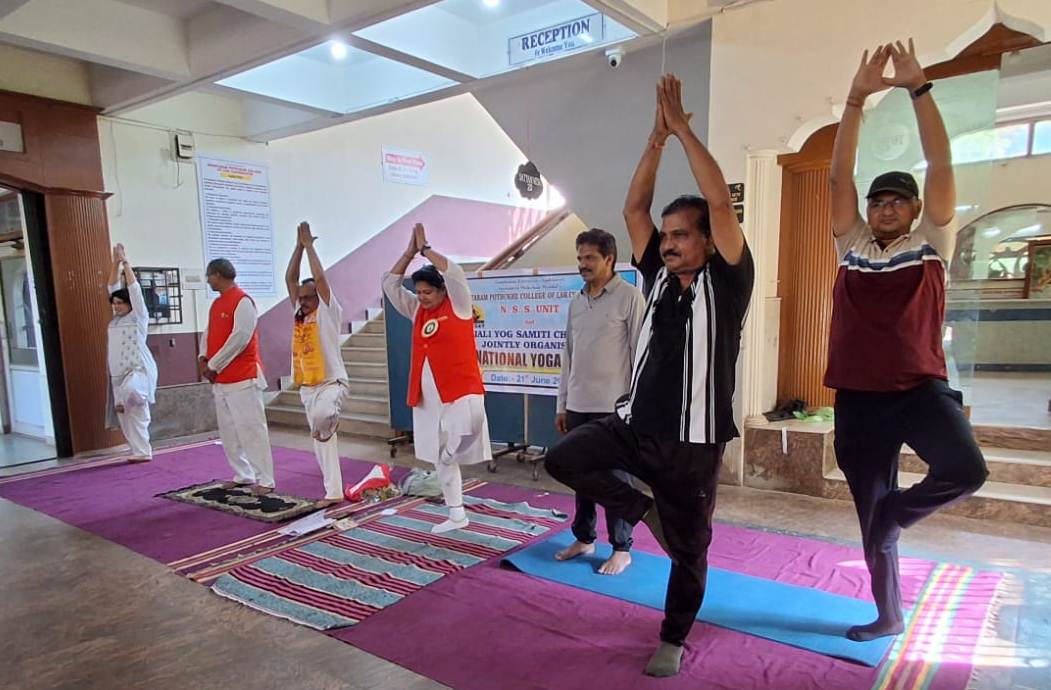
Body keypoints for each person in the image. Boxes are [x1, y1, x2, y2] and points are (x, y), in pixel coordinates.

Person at [545, 74, 754, 677]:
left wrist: (684, 129)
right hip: (634, 428)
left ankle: (673, 636)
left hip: (693, 445)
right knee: (564, 458)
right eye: (667, 236)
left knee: (691, 552)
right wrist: (655, 139)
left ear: (709, 242)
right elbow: (633, 209)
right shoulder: (657, 277)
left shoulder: (728, 282)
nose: (669, 243)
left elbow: (720, 204)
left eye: (682, 235)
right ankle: (640, 511)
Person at [826, 40, 987, 641]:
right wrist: (854, 100)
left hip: (920, 389)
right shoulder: (851, 244)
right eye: (878, 200)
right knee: (871, 514)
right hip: (858, 397)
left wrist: (919, 88)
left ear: (916, 207)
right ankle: (888, 613)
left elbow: (942, 165)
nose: (885, 207)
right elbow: (838, 175)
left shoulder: (931, 242)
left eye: (897, 200)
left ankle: (898, 512)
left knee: (965, 469)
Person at [382, 223, 492, 534]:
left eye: (427, 292)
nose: (422, 297)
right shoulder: (417, 310)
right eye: (418, 292)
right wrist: (408, 254)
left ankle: (457, 502)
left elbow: (455, 273)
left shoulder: (458, 305)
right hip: (427, 397)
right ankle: (456, 513)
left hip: (461, 391)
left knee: (459, 441)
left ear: (442, 290)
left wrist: (426, 250)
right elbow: (390, 285)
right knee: (440, 458)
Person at [553, 228, 645, 576]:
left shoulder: (629, 297)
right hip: (578, 404)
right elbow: (568, 355)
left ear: (610, 259)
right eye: (580, 258)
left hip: (614, 408)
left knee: (616, 478)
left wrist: (637, 408)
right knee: (580, 475)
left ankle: (622, 547)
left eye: (590, 257)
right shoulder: (576, 302)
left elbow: (640, 355)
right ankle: (584, 538)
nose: (583, 264)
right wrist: (562, 404)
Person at [285, 221, 349, 508]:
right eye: (301, 298)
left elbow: (320, 279)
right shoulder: (299, 313)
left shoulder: (328, 311)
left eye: (308, 297)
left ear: (318, 298)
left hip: (332, 383)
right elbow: (290, 278)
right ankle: (333, 492)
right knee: (322, 442)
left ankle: (330, 419)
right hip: (308, 386)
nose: (303, 301)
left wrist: (310, 247)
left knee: (323, 418)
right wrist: (297, 247)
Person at [199, 258, 275, 495]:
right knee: (229, 432)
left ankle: (265, 479)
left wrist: (214, 365)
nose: (207, 280)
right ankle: (243, 474)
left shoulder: (243, 301)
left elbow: (240, 337)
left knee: (251, 429)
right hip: (221, 380)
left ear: (218, 275)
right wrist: (203, 357)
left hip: (243, 376)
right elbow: (208, 333)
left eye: (209, 276)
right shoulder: (216, 304)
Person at [106, 244, 157, 463]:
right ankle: (139, 452)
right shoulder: (115, 321)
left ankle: (144, 450)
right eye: (114, 303)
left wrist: (126, 263)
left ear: (129, 304)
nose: (116, 306)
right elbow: (111, 286)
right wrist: (115, 262)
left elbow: (135, 291)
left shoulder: (138, 318)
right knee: (126, 417)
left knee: (134, 397)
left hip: (138, 370)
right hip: (118, 372)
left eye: (120, 303)